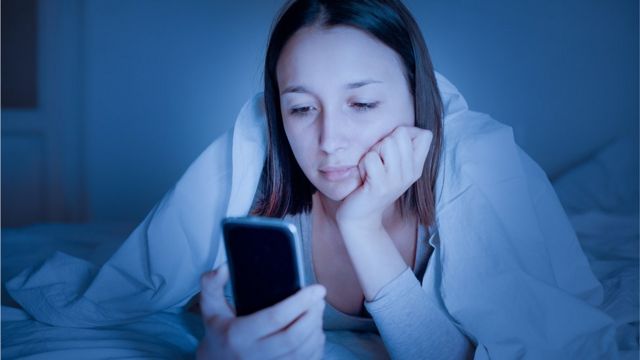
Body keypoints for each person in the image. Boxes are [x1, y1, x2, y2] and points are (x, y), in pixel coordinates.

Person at [195, 0, 618, 359]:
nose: (329, 142)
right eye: (302, 109)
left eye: (361, 103)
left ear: (416, 98)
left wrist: (361, 227)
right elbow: (178, 292)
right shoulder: (255, 186)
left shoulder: (469, 173)